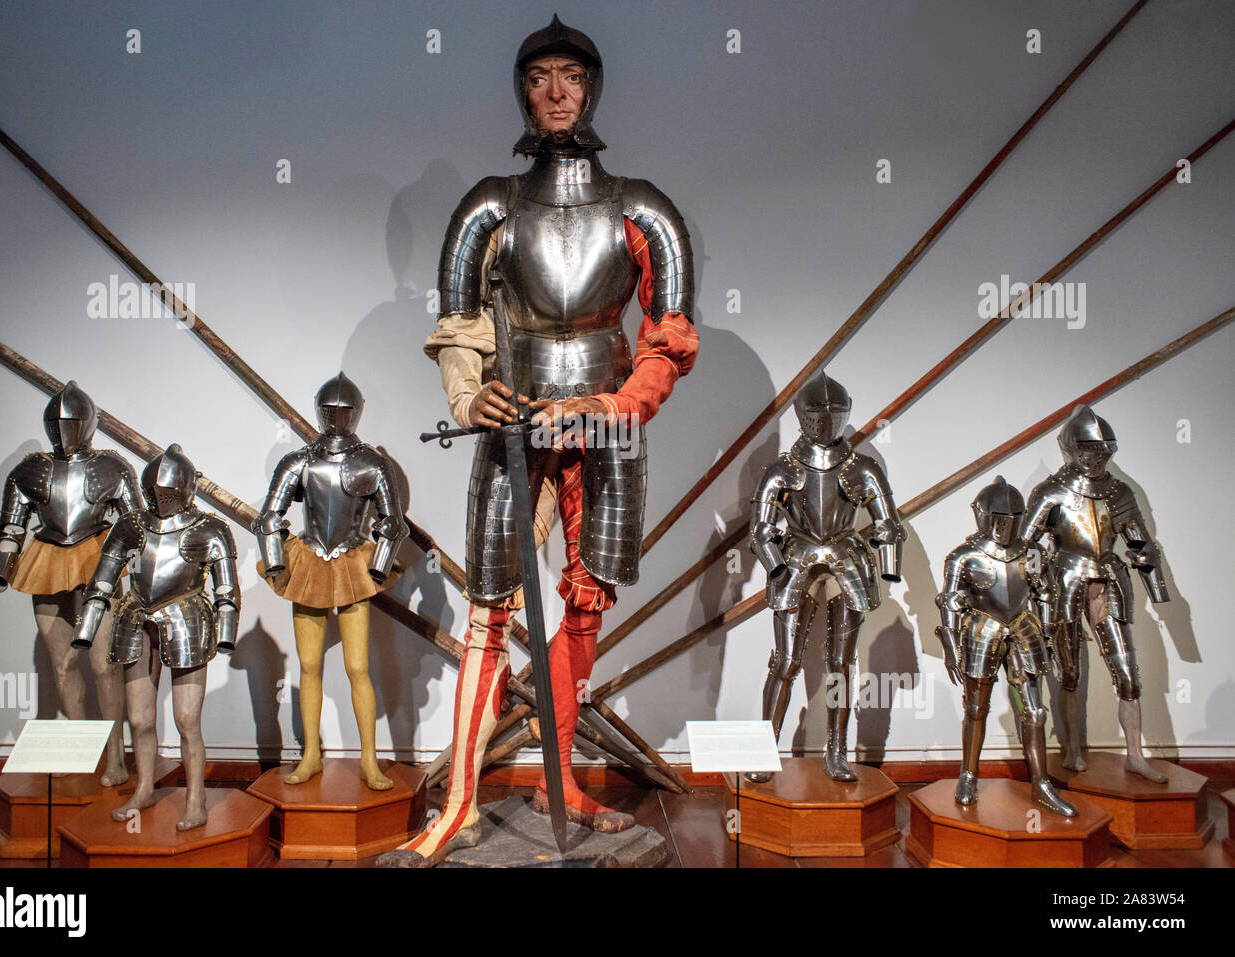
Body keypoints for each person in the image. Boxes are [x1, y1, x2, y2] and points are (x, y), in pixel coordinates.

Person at [379, 14, 698, 867]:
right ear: (521, 90)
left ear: (592, 87)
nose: (555, 93)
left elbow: (668, 340)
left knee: (587, 602)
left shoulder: (644, 210)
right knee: (490, 612)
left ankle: (560, 771)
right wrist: (467, 392)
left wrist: (605, 409)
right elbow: (460, 326)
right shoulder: (490, 204)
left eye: (570, 76)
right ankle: (458, 805)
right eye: (538, 78)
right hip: (515, 427)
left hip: (606, 428)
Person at [72, 444, 240, 830]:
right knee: (141, 718)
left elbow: (227, 591)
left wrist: (226, 637)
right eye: (155, 494)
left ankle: (195, 798)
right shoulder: (131, 525)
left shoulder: (210, 528)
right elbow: (103, 580)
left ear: (185, 490)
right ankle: (144, 786)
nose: (161, 500)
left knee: (186, 720)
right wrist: (86, 629)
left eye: (169, 494)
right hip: (136, 617)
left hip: (187, 619)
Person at [746, 373, 904, 783]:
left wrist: (890, 566)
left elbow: (888, 523)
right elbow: (760, 529)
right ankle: (765, 750)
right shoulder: (781, 469)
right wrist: (775, 564)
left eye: (833, 413)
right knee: (785, 662)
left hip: (847, 558)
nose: (825, 420)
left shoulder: (862, 468)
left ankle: (837, 751)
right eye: (817, 412)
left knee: (841, 665)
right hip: (795, 557)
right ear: (802, 414)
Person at [254, 373, 409, 789]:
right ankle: (310, 755)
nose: (337, 419)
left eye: (344, 412)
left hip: (355, 561)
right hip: (309, 560)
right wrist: (275, 562)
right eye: (331, 411)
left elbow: (393, 523)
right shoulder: (299, 460)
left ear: (355, 413)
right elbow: (269, 517)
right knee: (308, 666)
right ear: (320, 412)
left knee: (358, 667)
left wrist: (378, 565)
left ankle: (370, 761)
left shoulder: (373, 463)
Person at [0, 381, 139, 787]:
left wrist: (141, 578)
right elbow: (11, 526)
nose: (63, 428)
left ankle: (115, 758)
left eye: (70, 421)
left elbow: (135, 525)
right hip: (47, 557)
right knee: (63, 662)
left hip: (97, 559)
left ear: (90, 423)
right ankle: (80, 748)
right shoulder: (30, 469)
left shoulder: (113, 466)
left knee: (103, 663)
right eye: (56, 422)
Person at [1021, 404, 1170, 783]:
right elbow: (1024, 548)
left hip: (1109, 580)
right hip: (1065, 581)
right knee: (1068, 672)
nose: (1094, 455)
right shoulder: (1051, 491)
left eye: (1101, 448)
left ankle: (1135, 754)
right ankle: (1072, 750)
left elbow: (1142, 546)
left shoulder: (1119, 492)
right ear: (1071, 447)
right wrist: (1033, 594)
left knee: (1127, 674)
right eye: (1087, 447)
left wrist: (1159, 594)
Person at [936, 475, 1077, 815]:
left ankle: (1041, 783)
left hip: (1024, 630)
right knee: (975, 710)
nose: (1004, 524)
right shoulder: (964, 556)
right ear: (982, 515)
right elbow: (951, 602)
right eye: (998, 517)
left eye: (1012, 517)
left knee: (1035, 712)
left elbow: (1044, 593)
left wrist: (1048, 636)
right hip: (981, 630)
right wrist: (952, 648)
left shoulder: (1032, 552)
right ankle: (968, 775)